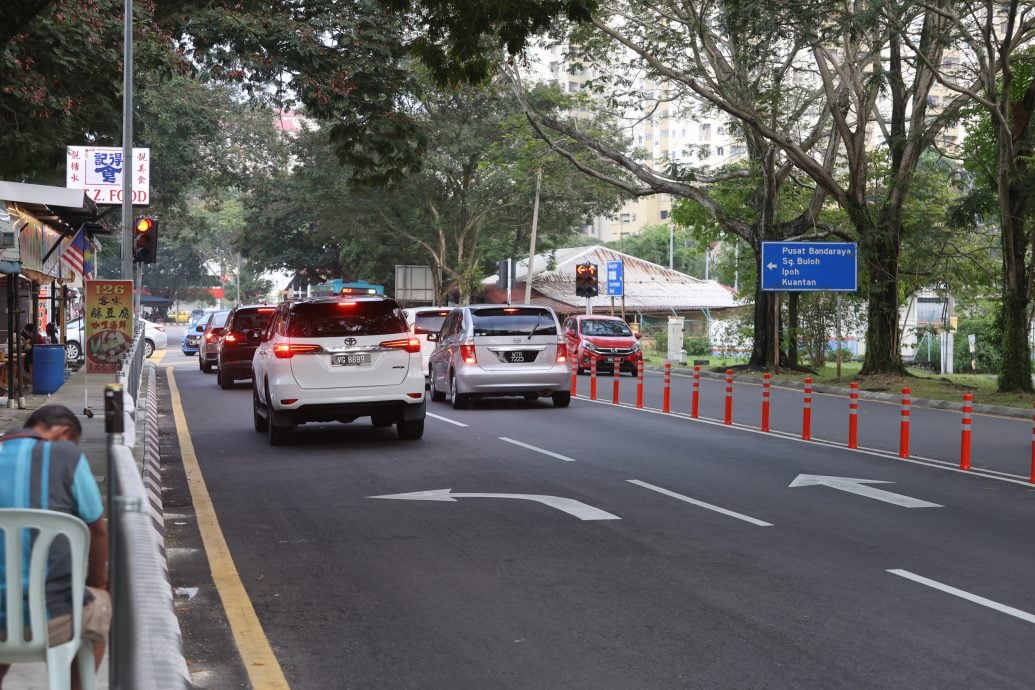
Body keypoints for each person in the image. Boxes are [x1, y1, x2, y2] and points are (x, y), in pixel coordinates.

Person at [0, 405, 110, 690]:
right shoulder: (65, 454)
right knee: (98, 607)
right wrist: (97, 584)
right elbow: (97, 530)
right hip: (53, 620)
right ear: (63, 433)